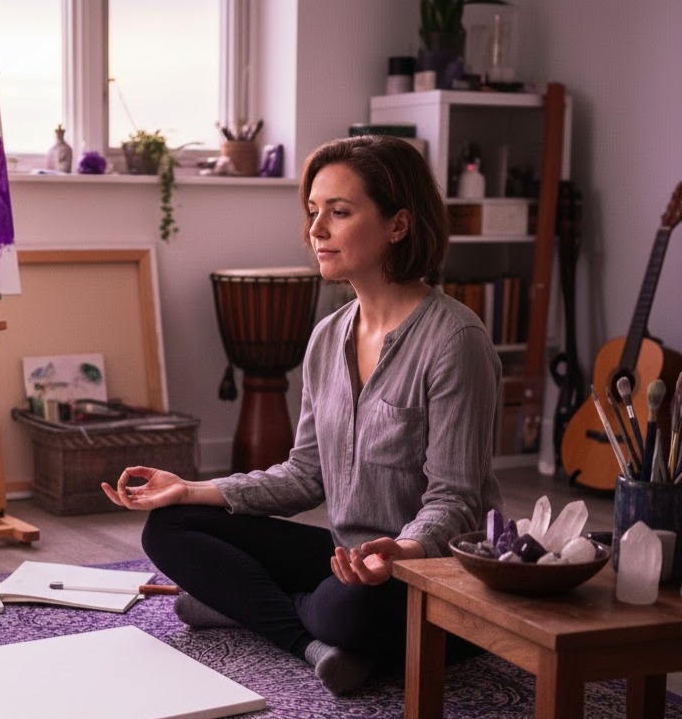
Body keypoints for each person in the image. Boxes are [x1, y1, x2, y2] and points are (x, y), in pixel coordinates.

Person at [101, 135, 503, 696]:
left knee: (345, 610)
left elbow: (456, 501)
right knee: (170, 527)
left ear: (398, 225)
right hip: (346, 561)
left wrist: (403, 552)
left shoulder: (455, 340)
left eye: (339, 212)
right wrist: (189, 489)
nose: (316, 229)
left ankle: (249, 608)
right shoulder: (327, 338)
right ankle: (309, 643)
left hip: (426, 574)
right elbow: (305, 475)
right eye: (313, 211)